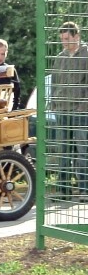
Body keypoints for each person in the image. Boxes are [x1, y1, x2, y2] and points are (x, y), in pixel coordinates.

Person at [51, 21, 88, 200]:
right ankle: (63, 190)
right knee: (64, 151)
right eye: (62, 39)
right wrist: (53, 102)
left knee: (83, 150)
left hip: (80, 110)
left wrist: (84, 106)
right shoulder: (60, 56)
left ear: (76, 36)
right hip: (62, 110)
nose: (64, 42)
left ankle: (84, 189)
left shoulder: (86, 54)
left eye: (67, 38)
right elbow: (55, 81)